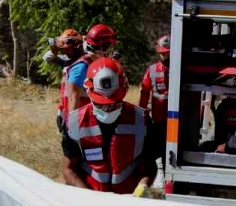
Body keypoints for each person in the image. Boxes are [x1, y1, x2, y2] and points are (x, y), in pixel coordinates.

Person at [61, 57, 160, 195]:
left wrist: (143, 186)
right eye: (102, 105)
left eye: (114, 104)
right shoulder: (75, 123)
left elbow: (150, 166)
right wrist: (86, 196)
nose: (109, 109)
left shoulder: (141, 120)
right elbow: (69, 168)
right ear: (89, 92)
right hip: (91, 197)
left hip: (129, 200)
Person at [57, 23, 117, 132]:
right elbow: (73, 98)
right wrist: (73, 128)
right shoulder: (82, 67)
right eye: (109, 46)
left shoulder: (98, 64)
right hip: (81, 124)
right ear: (101, 46)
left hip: (92, 121)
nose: (111, 50)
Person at [138, 35, 171, 171]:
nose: (164, 56)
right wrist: (141, 113)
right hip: (158, 120)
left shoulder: (180, 70)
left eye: (167, 54)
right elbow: (144, 92)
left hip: (176, 120)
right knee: (158, 151)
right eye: (162, 54)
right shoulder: (152, 70)